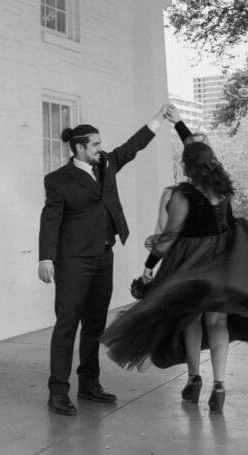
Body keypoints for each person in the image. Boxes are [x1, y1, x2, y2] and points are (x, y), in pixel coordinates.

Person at [103, 138, 248, 414]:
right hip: (224, 267)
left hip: (191, 268)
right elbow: (229, 227)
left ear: (187, 165)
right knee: (217, 323)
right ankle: (220, 385)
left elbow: (169, 237)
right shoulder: (222, 190)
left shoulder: (182, 195)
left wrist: (148, 270)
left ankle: (193, 379)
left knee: (190, 320)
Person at [38, 105, 173, 416]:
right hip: (72, 260)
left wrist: (157, 120)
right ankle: (58, 391)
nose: (102, 148)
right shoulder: (58, 180)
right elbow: (50, 220)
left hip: (103, 255)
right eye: (96, 144)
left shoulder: (107, 164)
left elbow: (133, 147)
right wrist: (46, 257)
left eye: (101, 144)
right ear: (80, 147)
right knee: (67, 324)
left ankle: (89, 385)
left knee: (95, 324)